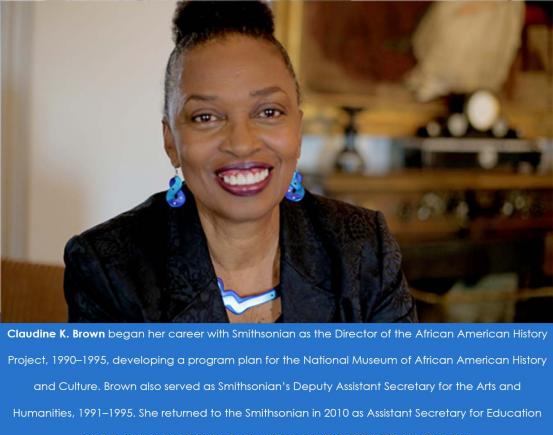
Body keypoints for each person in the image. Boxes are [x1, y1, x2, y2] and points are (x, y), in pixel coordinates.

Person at [63, 0, 416, 323]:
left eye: (268, 111)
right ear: (171, 141)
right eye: (206, 117)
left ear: (298, 128)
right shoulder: (109, 267)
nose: (242, 144)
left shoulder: (362, 249)